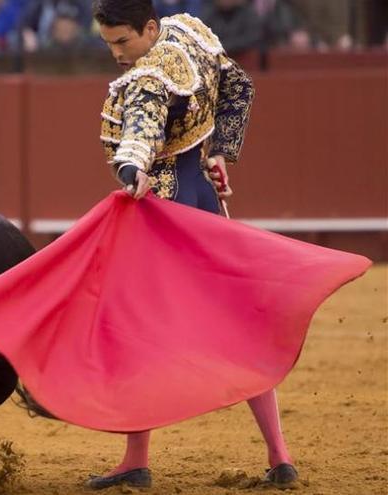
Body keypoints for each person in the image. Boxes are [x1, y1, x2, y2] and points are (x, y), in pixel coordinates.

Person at [91, 0, 295, 490]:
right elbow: (239, 89)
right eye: (108, 44)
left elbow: (139, 134)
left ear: (149, 28)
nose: (118, 54)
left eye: (123, 41)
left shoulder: (149, 77)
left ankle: (136, 460)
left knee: (131, 330)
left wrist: (130, 168)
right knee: (239, 327)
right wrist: (220, 149)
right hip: (206, 204)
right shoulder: (191, 33)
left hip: (162, 212)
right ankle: (279, 456)